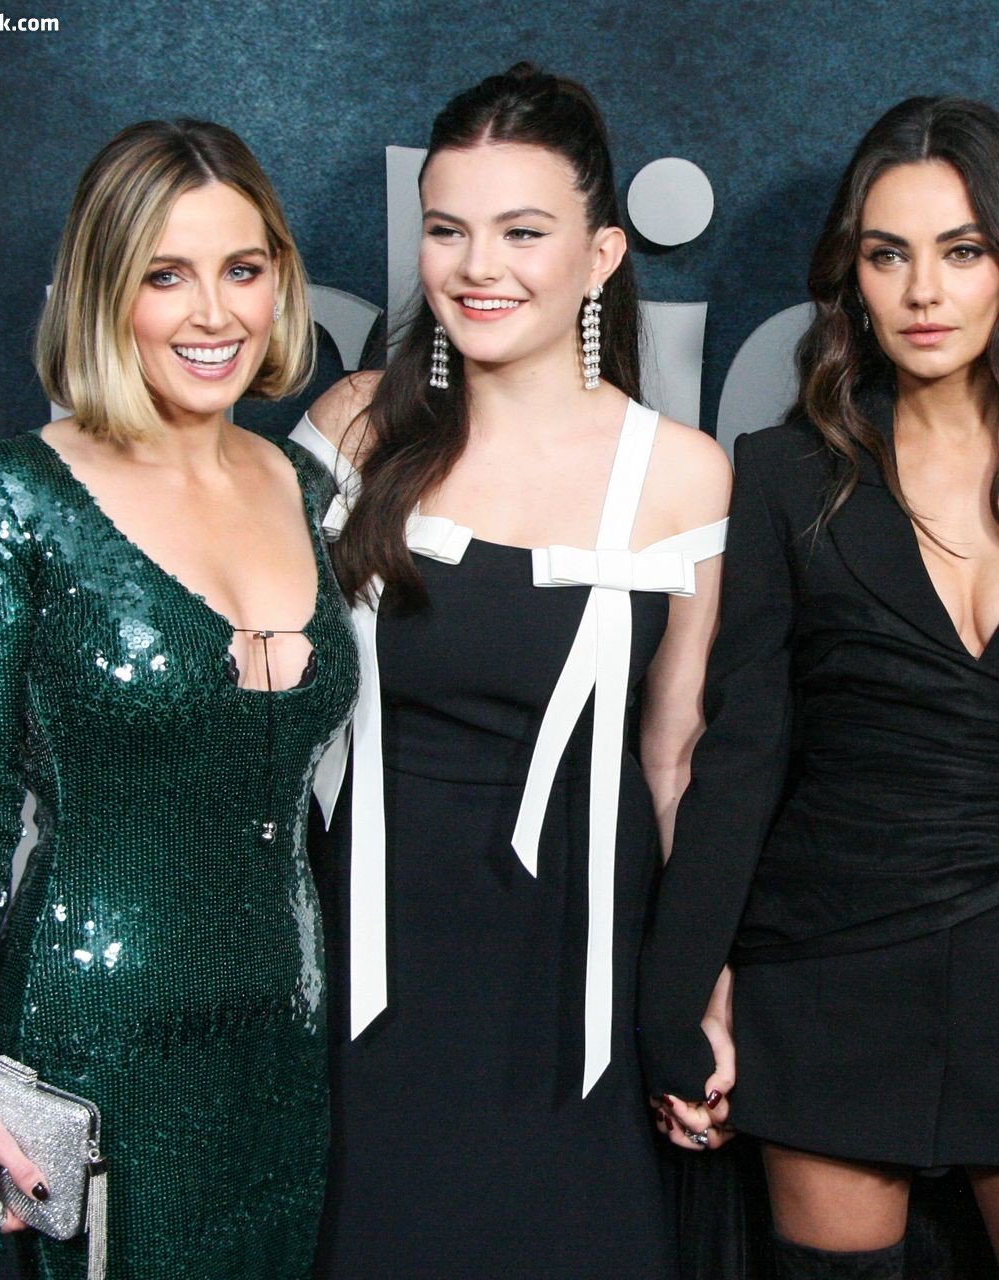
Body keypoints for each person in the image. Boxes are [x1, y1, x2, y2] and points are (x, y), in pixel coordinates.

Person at [636, 97, 999, 1280]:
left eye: (962, 250)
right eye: (889, 255)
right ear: (853, 275)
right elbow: (744, 753)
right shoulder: (790, 473)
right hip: (825, 963)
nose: (923, 292)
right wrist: (677, 994)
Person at [0, 119, 355, 1278]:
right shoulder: (15, 494)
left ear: (281, 280)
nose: (215, 313)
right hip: (97, 1040)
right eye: (165, 275)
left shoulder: (299, 480)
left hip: (285, 1045)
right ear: (103, 290)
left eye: (242, 269)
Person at [290, 64, 732, 1278]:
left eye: (522, 232)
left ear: (601, 255)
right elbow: (202, 590)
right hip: (365, 961)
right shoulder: (354, 425)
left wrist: (704, 990)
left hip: (575, 974)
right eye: (448, 229)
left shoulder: (683, 474)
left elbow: (677, 757)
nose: (478, 266)